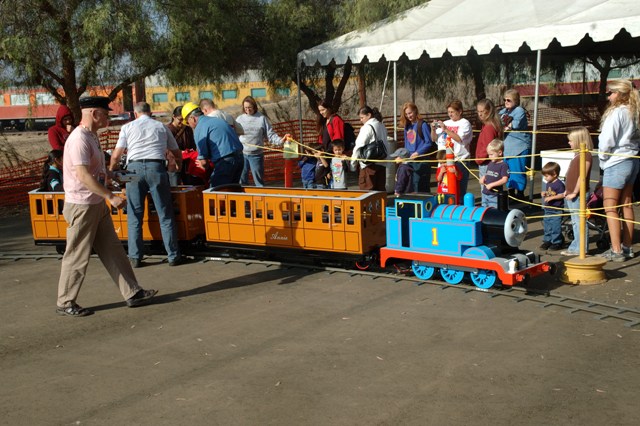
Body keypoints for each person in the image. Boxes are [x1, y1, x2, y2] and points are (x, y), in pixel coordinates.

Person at [56, 96, 157, 317]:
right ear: (94, 114)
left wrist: (111, 175)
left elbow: (93, 171)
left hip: (94, 203)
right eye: (105, 114)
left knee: (113, 250)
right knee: (77, 255)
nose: (108, 118)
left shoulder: (91, 136)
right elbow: (82, 175)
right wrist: (110, 196)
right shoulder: (79, 139)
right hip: (82, 206)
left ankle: (133, 292)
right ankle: (65, 302)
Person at [109, 102, 183, 268]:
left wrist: (111, 170)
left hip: (133, 169)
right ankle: (173, 255)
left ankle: (135, 257)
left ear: (135, 114)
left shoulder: (127, 127)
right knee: (165, 213)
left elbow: (116, 155)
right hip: (156, 168)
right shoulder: (161, 127)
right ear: (150, 113)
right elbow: (176, 151)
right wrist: (179, 165)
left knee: (134, 214)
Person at [597, 79, 640, 262]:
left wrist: (602, 159)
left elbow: (606, 140)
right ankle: (627, 247)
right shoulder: (634, 111)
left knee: (610, 207)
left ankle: (616, 250)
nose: (609, 96)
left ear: (619, 94)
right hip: (632, 159)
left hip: (616, 161)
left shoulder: (616, 112)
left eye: (611, 93)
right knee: (627, 204)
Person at [182, 102, 245, 188]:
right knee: (232, 191)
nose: (189, 125)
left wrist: (204, 165)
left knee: (215, 191)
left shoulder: (199, 128)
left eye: (187, 122)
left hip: (225, 162)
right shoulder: (217, 120)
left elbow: (203, 162)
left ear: (192, 118)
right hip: (240, 158)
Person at [236, 96, 287, 187]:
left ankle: (260, 195)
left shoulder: (261, 118)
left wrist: (280, 140)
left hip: (256, 155)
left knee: (259, 181)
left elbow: (270, 134)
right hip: (242, 154)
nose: (247, 110)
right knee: (241, 180)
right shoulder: (239, 119)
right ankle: (242, 195)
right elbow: (234, 134)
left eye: (250, 107)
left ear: (254, 106)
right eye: (245, 108)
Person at [561, 127, 594, 256]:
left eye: (571, 140)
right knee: (575, 221)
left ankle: (581, 248)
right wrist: (567, 190)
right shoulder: (577, 155)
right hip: (571, 192)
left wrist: (575, 192)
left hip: (578, 194)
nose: (569, 143)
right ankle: (576, 246)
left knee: (579, 222)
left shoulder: (586, 155)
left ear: (579, 140)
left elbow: (582, 176)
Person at [431, 100, 472, 194]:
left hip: (459, 161)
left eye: (452, 112)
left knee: (459, 190)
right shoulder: (446, 122)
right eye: (449, 112)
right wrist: (433, 129)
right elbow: (434, 139)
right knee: (444, 189)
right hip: (443, 161)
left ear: (460, 111)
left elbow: (459, 138)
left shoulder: (464, 123)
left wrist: (445, 129)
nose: (450, 114)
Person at [499, 89, 531, 200]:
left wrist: (506, 126)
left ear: (516, 100)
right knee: (508, 171)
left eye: (509, 100)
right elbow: (498, 122)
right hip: (507, 148)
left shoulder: (519, 110)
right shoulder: (503, 111)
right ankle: (511, 192)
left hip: (519, 147)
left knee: (518, 170)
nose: (506, 102)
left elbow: (515, 124)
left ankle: (520, 193)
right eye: (505, 100)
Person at [351, 105, 388, 191]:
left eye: (362, 117)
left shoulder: (367, 127)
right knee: (380, 193)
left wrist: (353, 164)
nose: (361, 120)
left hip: (369, 165)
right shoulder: (382, 126)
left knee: (367, 193)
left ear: (369, 115)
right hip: (382, 163)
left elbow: (359, 146)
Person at [400, 102, 435, 192]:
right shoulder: (407, 126)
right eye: (406, 114)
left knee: (420, 186)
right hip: (410, 161)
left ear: (415, 111)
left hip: (421, 161)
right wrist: (403, 156)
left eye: (410, 113)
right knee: (410, 186)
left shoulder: (422, 125)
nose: (408, 116)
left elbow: (428, 142)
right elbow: (406, 144)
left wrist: (418, 153)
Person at [167, 106, 197, 185]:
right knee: (175, 186)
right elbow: (165, 148)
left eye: (184, 120)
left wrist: (189, 152)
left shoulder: (188, 129)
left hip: (187, 164)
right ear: (174, 117)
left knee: (189, 186)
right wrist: (180, 153)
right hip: (174, 163)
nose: (182, 122)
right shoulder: (168, 130)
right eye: (180, 120)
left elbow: (192, 145)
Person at [539, 162, 566, 251]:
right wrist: (544, 193)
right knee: (547, 226)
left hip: (556, 209)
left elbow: (562, 195)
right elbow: (550, 192)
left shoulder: (559, 184)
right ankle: (547, 240)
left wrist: (552, 198)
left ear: (554, 174)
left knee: (555, 227)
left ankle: (557, 242)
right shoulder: (549, 183)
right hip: (548, 209)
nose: (545, 178)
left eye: (546, 176)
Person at [475, 99, 503, 179]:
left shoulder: (489, 128)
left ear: (488, 111)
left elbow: (488, 147)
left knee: (487, 186)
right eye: (478, 111)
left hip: (486, 163)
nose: (480, 114)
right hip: (489, 162)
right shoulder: (490, 125)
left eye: (482, 111)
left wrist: (479, 159)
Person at [479, 139, 509, 208]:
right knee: (484, 210)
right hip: (485, 193)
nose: (489, 157)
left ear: (500, 153)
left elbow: (504, 179)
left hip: (494, 195)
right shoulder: (490, 163)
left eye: (491, 154)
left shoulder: (503, 165)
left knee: (493, 211)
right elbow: (488, 174)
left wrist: (492, 185)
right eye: (489, 155)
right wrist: (483, 178)